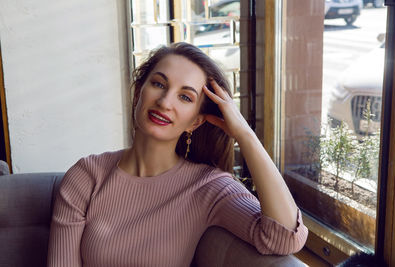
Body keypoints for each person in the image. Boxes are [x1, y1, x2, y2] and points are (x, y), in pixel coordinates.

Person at [47, 42, 308, 267]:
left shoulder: (209, 187)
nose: (165, 102)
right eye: (159, 84)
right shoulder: (87, 176)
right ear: (139, 92)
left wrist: (245, 135)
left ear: (196, 122)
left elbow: (284, 236)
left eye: (185, 97)